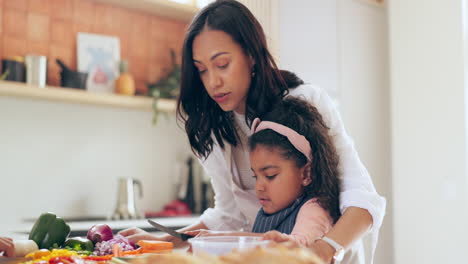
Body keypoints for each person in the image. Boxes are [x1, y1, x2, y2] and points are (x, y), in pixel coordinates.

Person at [119, 0, 386, 263]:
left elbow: (361, 201)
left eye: (222, 64)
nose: (213, 82)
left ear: (251, 55)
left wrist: (324, 249)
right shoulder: (216, 126)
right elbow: (229, 214)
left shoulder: (305, 103)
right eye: (202, 70)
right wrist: (168, 240)